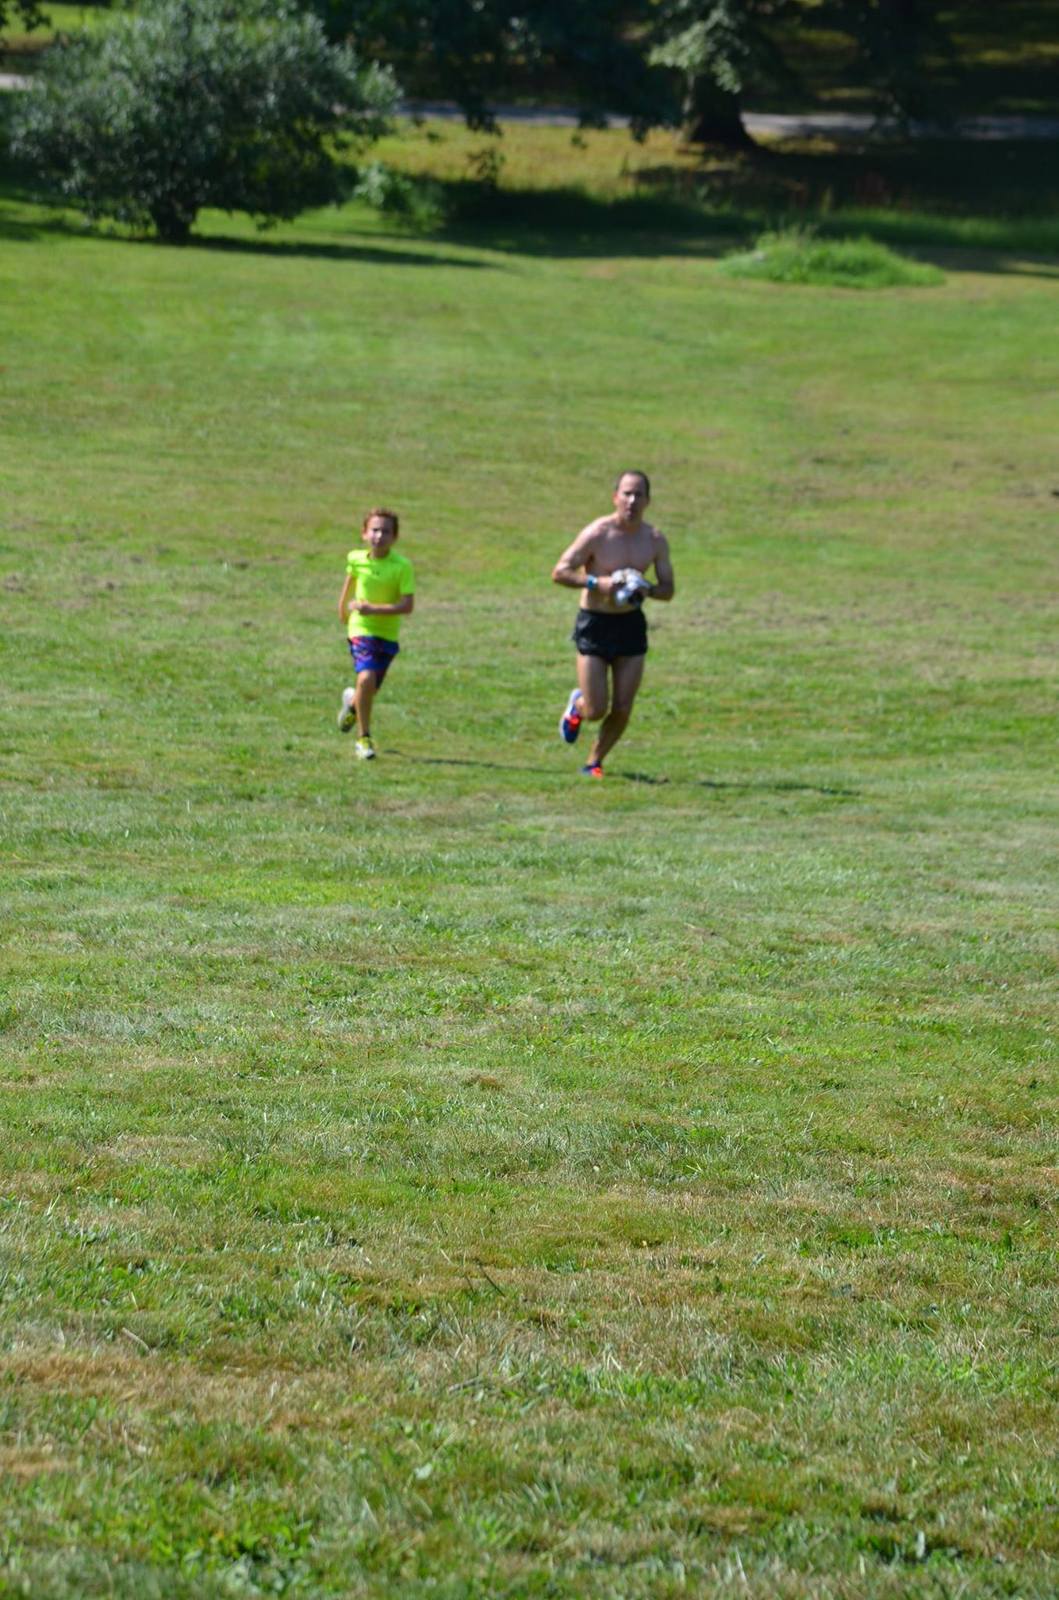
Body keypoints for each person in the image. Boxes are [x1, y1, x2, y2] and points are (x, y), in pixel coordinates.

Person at [551, 470, 674, 777]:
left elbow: (668, 589)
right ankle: (578, 706)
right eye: (627, 493)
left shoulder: (654, 540)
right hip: (595, 623)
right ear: (615, 497)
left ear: (648, 500)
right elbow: (560, 572)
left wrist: (647, 589)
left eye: (638, 494)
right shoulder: (598, 533)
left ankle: (593, 762)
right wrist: (597, 583)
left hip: (630, 625)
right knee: (596, 709)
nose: (632, 500)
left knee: (622, 707)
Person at [336, 508, 415, 760]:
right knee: (367, 676)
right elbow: (349, 584)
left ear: (395, 537)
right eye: (375, 530)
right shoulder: (356, 558)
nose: (379, 536)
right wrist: (343, 610)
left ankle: (352, 703)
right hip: (361, 628)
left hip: (388, 635)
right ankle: (364, 739)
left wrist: (374, 609)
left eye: (386, 531)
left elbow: (407, 606)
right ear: (364, 533)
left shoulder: (402, 566)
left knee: (369, 689)